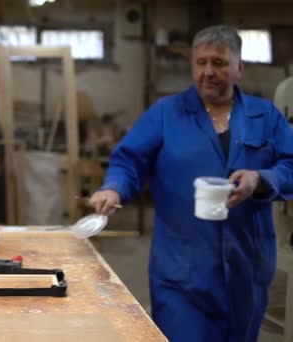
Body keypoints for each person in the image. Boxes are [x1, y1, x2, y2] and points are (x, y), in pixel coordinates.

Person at [89, 25, 293, 341]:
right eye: (201, 62)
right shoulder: (165, 114)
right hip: (181, 273)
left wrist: (262, 179)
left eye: (220, 63)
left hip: (246, 268)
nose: (208, 72)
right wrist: (114, 187)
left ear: (239, 67)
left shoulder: (265, 116)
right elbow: (129, 160)